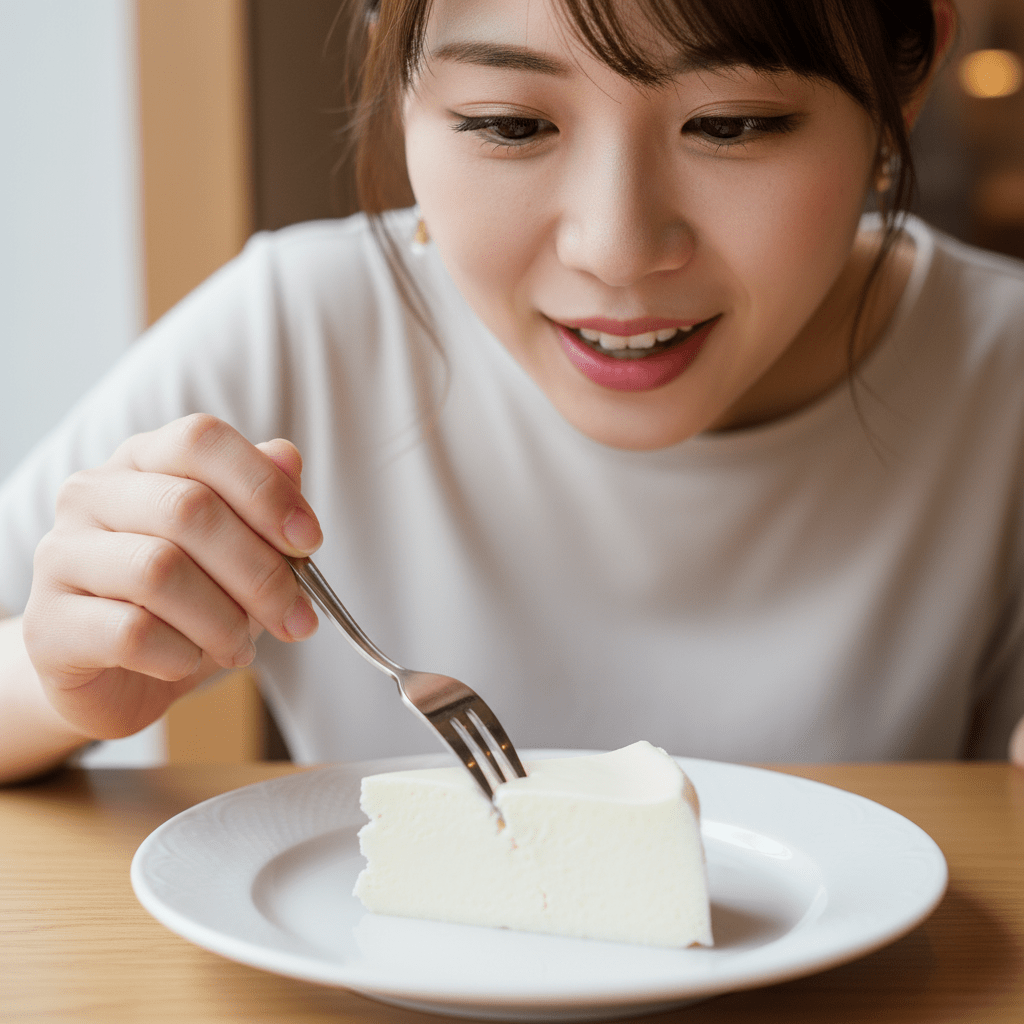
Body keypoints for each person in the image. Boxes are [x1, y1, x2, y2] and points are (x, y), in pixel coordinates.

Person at [1, 0, 1021, 785]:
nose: (614, 249)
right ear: (396, 84)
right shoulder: (301, 330)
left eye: (731, 125)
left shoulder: (1000, 374)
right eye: (509, 124)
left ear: (909, 74)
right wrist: (58, 687)